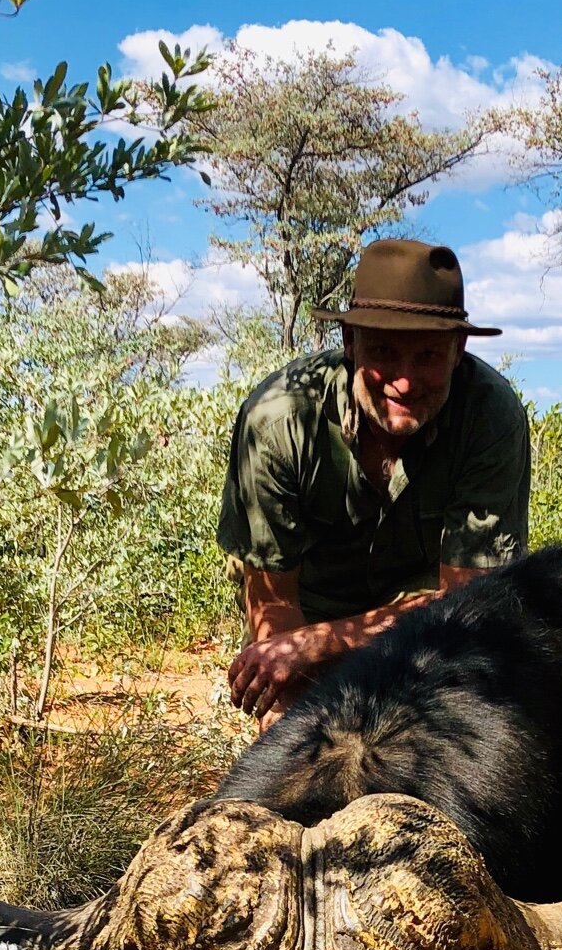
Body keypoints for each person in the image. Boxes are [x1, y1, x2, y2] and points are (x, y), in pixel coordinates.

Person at [217, 238, 530, 725]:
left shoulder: (490, 417)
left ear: (458, 350)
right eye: (383, 352)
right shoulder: (278, 420)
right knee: (298, 751)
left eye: (427, 356)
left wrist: (327, 643)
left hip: (431, 632)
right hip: (305, 621)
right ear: (349, 342)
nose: (404, 382)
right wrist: (301, 666)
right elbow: (275, 610)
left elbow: (472, 610)